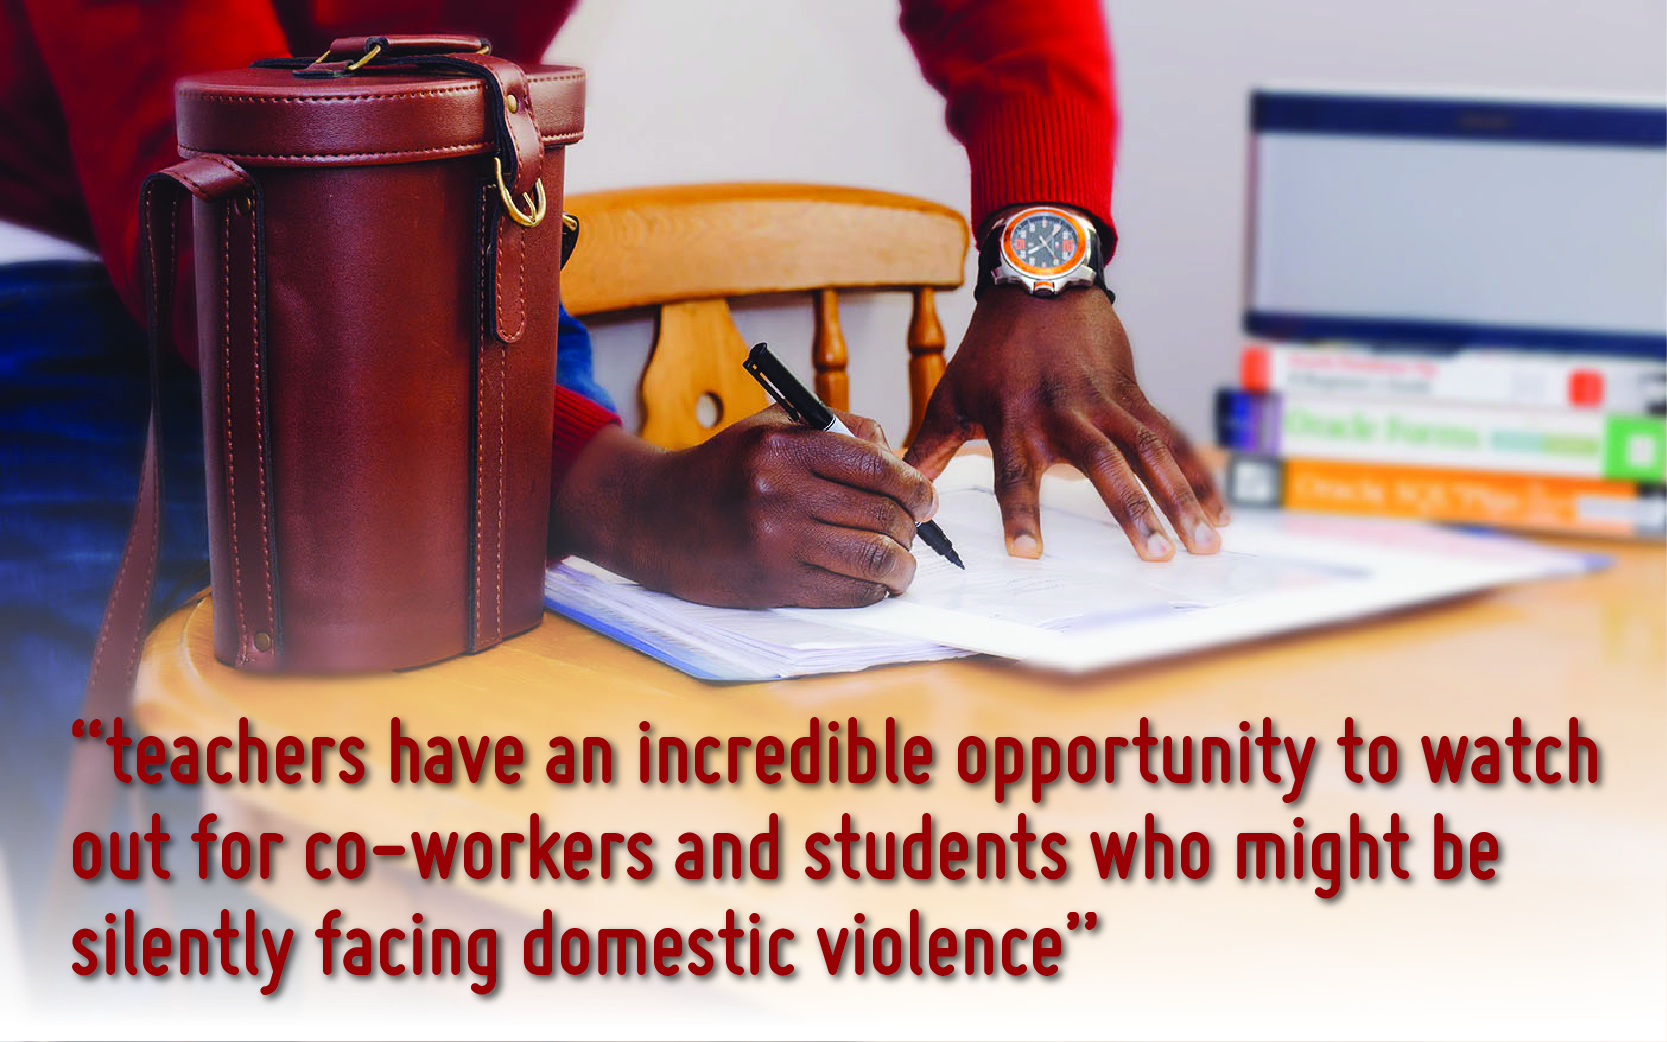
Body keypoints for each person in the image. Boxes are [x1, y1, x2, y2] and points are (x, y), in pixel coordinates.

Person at [0, 0, 1222, 926]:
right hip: (81, 259)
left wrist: (1041, 256)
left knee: (567, 772)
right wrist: (629, 497)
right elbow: (201, 205)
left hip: (434, 211)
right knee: (152, 838)